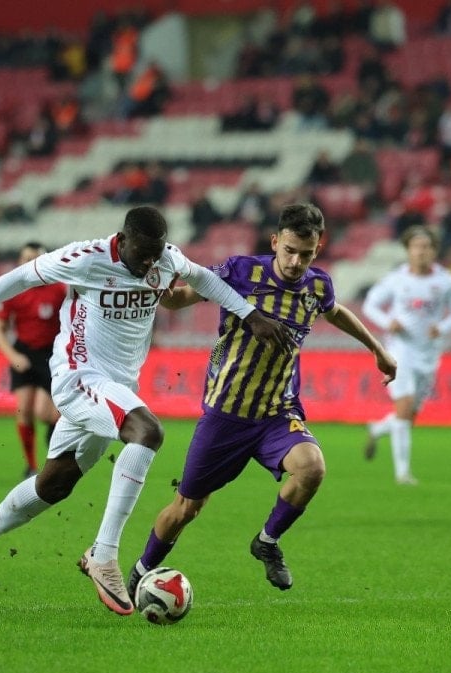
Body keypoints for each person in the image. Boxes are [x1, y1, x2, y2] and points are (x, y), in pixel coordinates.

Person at [0, 206, 291, 615]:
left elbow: (203, 279)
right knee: (148, 432)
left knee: (54, 485)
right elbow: (21, 277)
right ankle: (103, 554)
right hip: (78, 377)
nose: (148, 264)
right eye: (142, 254)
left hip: (116, 389)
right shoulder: (85, 258)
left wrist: (250, 315)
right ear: (122, 240)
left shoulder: (164, 259)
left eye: (155, 255)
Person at [125, 204, 397, 595]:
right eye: (289, 250)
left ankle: (267, 541)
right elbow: (179, 298)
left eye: (306, 254)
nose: (296, 262)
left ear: (318, 250)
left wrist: (377, 349)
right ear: (274, 242)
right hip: (225, 415)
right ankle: (141, 570)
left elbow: (335, 312)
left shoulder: (318, 286)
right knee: (187, 508)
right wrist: (158, 285)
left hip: (276, 413)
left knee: (312, 468)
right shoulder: (240, 271)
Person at [361, 225, 451, 484]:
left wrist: (442, 327)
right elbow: (370, 305)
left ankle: (378, 428)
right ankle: (402, 473)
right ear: (408, 251)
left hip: (429, 353)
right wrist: (388, 322)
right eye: (416, 247)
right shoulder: (396, 279)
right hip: (401, 350)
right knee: (405, 405)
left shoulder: (446, 281)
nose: (421, 252)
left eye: (426, 247)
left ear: (434, 251)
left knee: (409, 415)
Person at [0, 242, 68, 478]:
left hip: (51, 355)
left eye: (36, 258)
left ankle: (55, 442)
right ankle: (31, 466)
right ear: (19, 261)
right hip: (23, 353)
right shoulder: (12, 290)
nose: (30, 263)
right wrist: (13, 356)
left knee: (47, 414)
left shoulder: (59, 289)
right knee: (23, 409)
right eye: (26, 258)